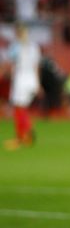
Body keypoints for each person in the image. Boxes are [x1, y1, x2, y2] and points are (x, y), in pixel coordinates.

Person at [3, 23, 41, 151]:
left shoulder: (16, 46)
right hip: (31, 79)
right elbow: (36, 66)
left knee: (19, 109)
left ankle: (23, 135)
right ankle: (25, 135)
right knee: (23, 108)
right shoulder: (34, 47)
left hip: (21, 79)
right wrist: (37, 83)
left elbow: (10, 63)